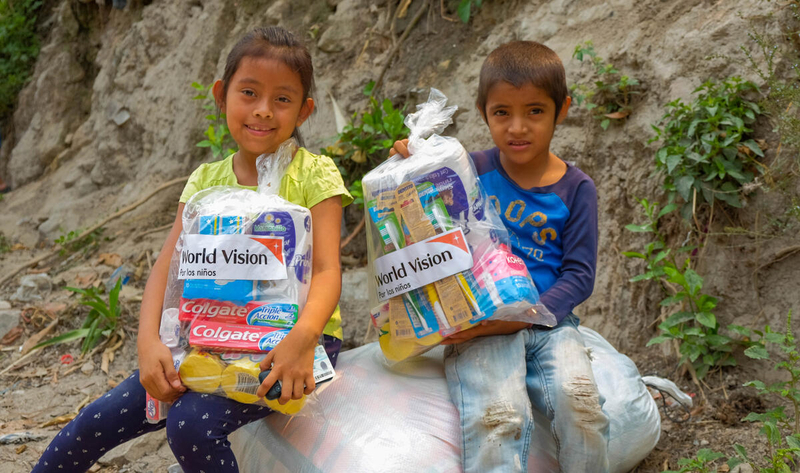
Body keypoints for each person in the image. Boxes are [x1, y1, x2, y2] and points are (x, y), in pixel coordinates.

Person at [33, 26, 352, 473]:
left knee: (191, 424)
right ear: (222, 96)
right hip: (203, 339)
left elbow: (325, 271)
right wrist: (149, 344)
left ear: (304, 111)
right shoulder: (205, 182)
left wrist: (302, 339)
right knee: (92, 423)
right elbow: (168, 269)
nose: (263, 110)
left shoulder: (315, 175)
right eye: (249, 92)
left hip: (290, 343)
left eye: (282, 99)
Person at [391, 41, 609, 472]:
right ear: (483, 111)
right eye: (502, 113)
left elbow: (579, 276)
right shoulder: (468, 171)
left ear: (561, 110)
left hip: (550, 323)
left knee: (581, 405)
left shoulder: (576, 189)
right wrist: (406, 165)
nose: (518, 127)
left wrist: (528, 314)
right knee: (499, 418)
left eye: (535, 111)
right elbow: (429, 226)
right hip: (481, 324)